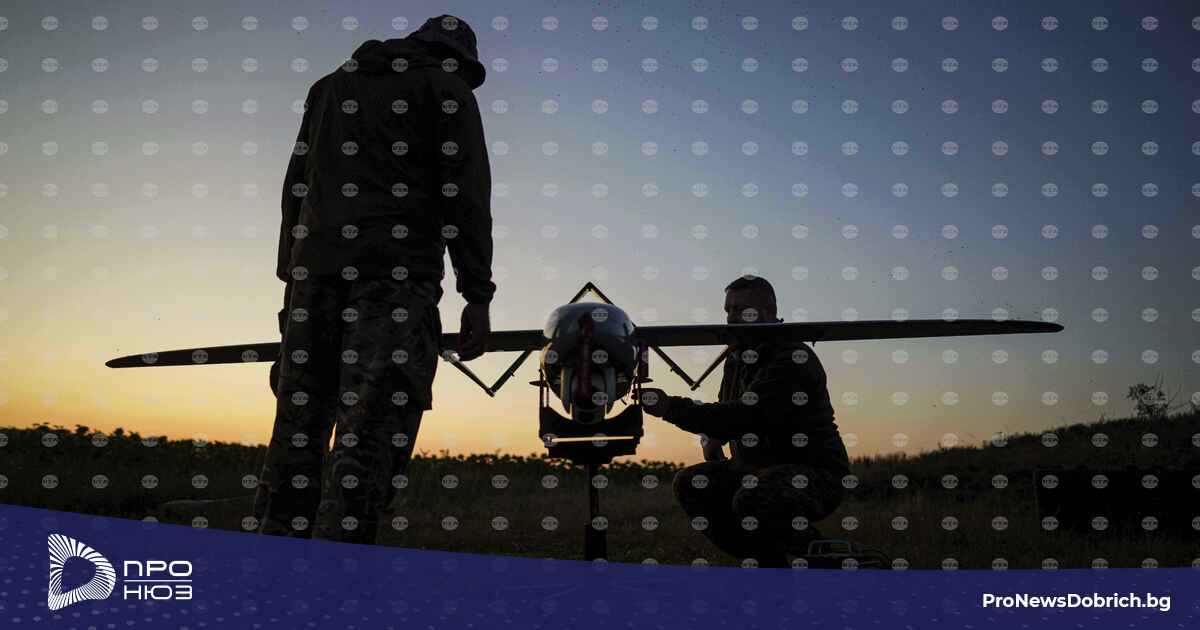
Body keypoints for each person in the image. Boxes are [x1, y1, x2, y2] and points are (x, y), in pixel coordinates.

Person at [255, 15, 495, 544]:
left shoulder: (328, 88)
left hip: (312, 277)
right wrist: (476, 293)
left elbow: (296, 185)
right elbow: (466, 195)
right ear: (457, 59)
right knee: (371, 428)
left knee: (297, 425)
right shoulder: (447, 89)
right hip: (394, 281)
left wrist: (290, 273)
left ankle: (276, 553)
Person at [640, 275, 850, 567]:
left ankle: (828, 560)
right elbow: (726, 410)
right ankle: (768, 565)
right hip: (755, 468)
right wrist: (714, 437)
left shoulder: (793, 357)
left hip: (815, 473)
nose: (731, 318)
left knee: (754, 497)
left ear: (767, 312)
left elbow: (745, 416)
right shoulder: (737, 358)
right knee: (691, 484)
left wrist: (669, 407)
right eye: (728, 310)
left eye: (740, 310)